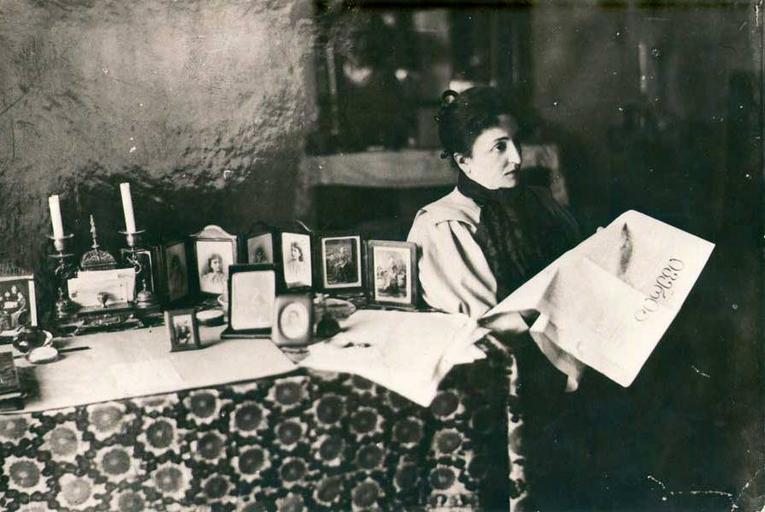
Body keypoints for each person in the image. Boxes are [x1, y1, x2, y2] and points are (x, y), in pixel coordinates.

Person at [407, 86, 587, 509]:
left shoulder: (536, 202)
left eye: (516, 143)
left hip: (571, 345)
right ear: (463, 160)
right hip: (509, 376)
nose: (517, 159)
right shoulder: (444, 225)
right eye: (499, 147)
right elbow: (486, 324)